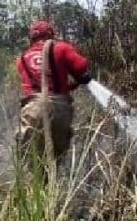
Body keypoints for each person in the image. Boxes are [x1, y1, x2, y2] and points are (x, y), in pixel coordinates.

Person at [15, 20, 93, 164]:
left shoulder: (22, 59)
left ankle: (35, 185)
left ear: (31, 38)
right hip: (60, 110)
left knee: (31, 160)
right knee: (54, 160)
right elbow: (81, 66)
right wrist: (79, 78)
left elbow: (38, 87)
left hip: (33, 109)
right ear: (51, 35)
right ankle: (52, 184)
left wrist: (70, 85)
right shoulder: (61, 48)